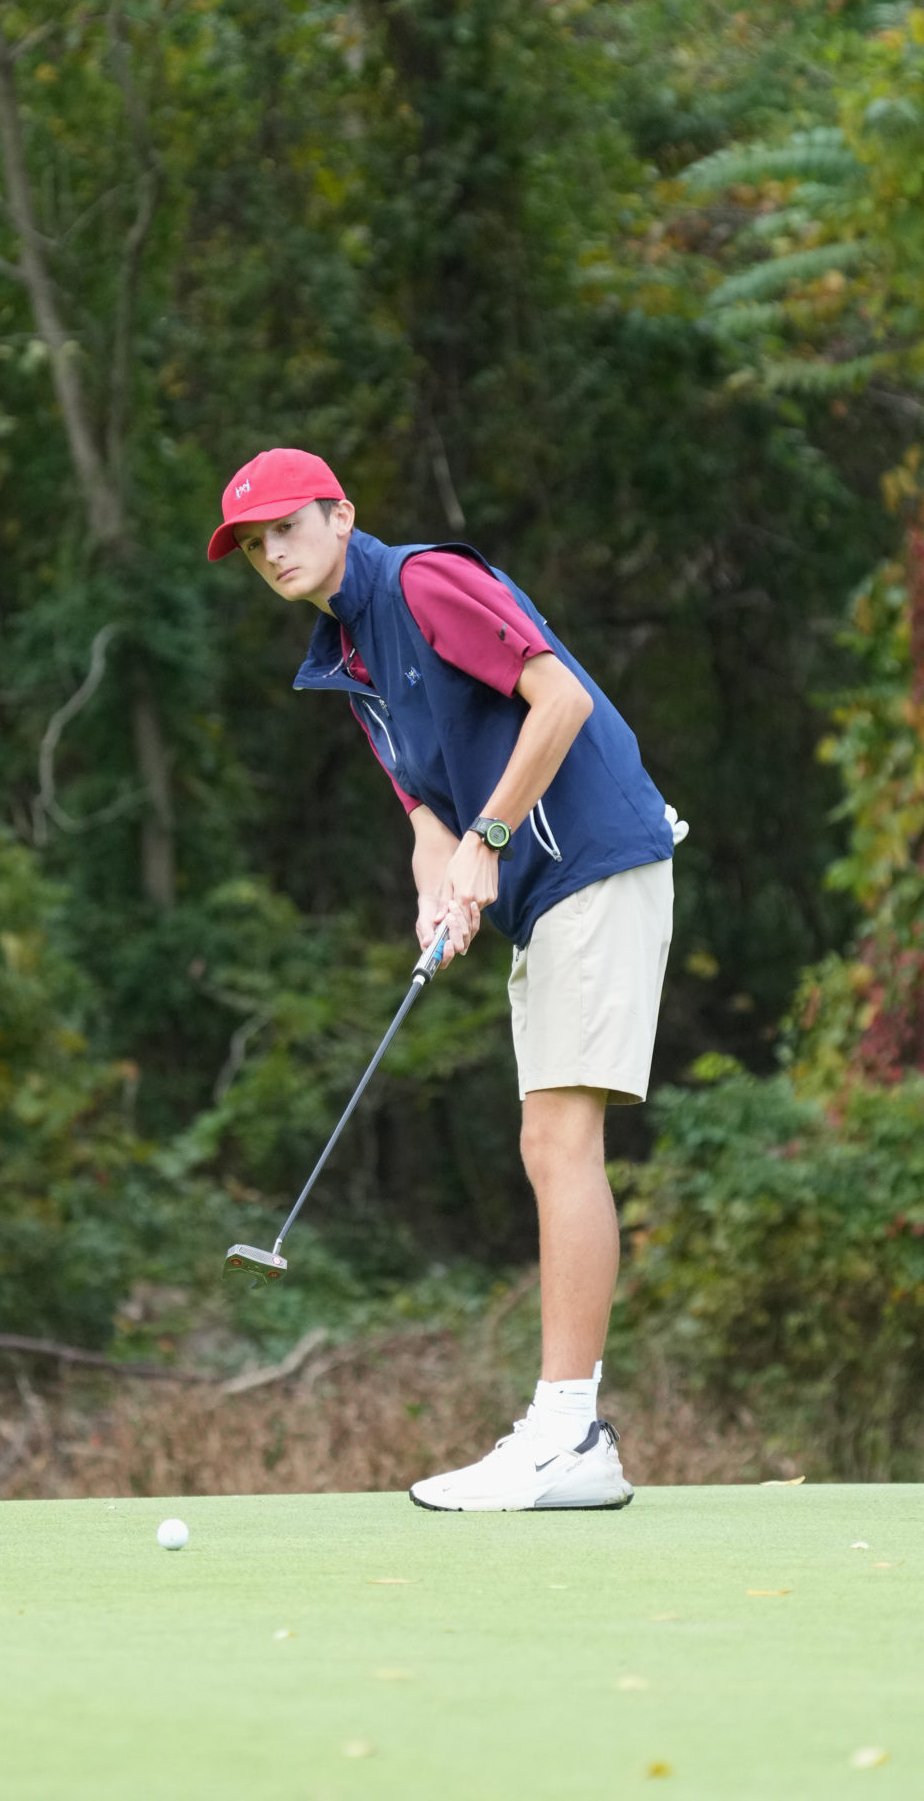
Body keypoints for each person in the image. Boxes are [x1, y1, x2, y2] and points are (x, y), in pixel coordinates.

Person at [208, 446, 683, 1513]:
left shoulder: (423, 584)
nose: (271, 551)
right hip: (545, 890)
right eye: (253, 543)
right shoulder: (347, 660)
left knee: (561, 1140)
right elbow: (425, 818)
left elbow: (558, 699)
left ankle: (570, 1436)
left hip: (597, 860)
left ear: (342, 514)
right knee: (546, 1139)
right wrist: (442, 888)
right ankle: (569, 1432)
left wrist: (492, 834)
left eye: (287, 525)